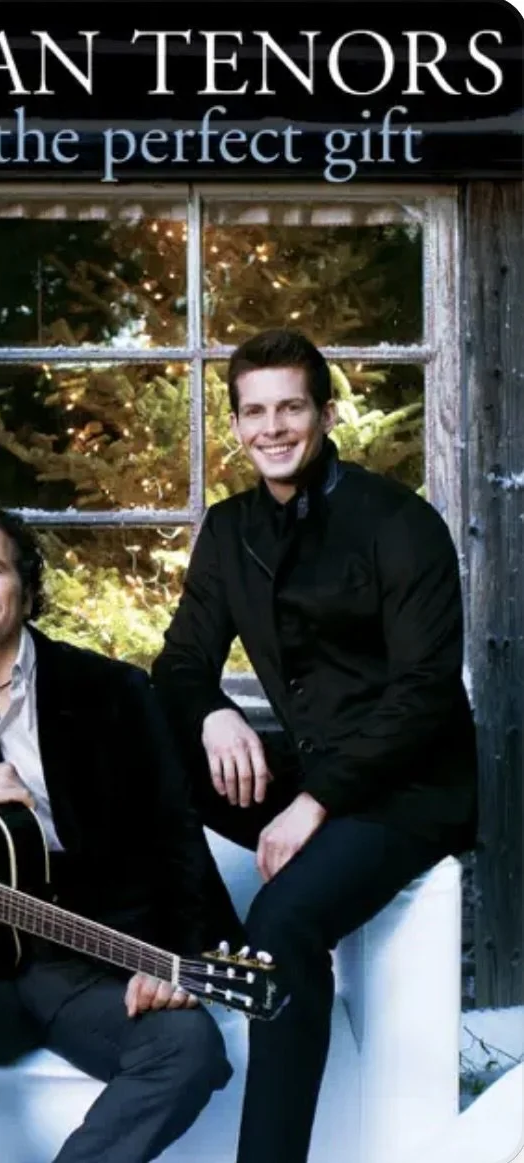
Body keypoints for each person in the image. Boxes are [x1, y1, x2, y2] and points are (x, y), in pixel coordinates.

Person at [150, 328, 478, 1163]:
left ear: (326, 414)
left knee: (285, 917)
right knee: (149, 742)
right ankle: (196, 941)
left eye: (290, 407)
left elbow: (424, 693)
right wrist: (213, 711)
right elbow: (179, 665)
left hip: (408, 787)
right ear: (236, 424)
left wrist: (314, 801)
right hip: (308, 768)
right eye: (254, 411)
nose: (273, 427)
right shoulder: (230, 529)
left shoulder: (400, 522)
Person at [0, 494, 233, 1163]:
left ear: (27, 589)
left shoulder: (113, 692)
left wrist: (177, 959)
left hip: (88, 961)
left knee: (189, 1047)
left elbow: (176, 835)